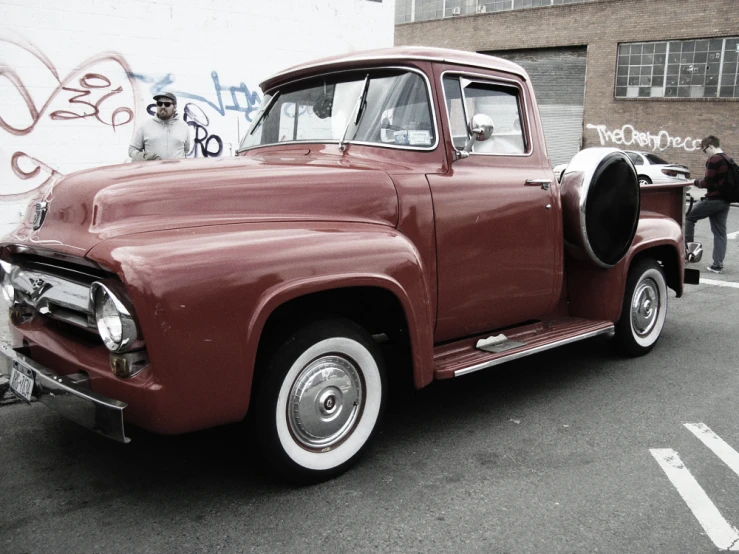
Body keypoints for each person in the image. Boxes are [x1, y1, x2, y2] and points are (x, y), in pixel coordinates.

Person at [685, 135, 732, 273]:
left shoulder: (714, 159)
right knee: (720, 233)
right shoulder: (729, 159)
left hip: (713, 200)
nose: (705, 153)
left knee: (689, 218)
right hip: (725, 201)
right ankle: (717, 265)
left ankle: (689, 254)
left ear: (710, 146)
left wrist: (694, 182)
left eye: (705, 150)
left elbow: (707, 182)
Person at [128, 92, 191, 161]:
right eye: (159, 103)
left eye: (167, 104)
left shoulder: (184, 127)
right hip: (153, 171)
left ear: (175, 107)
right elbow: (132, 150)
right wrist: (144, 156)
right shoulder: (145, 126)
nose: (163, 106)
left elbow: (186, 150)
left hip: (176, 171)